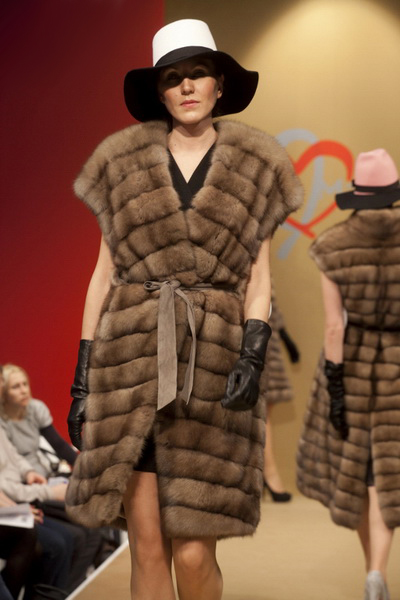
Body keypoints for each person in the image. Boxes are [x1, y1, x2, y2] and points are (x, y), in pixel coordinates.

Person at [66, 19, 302, 600]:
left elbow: (258, 276)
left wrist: (253, 352)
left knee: (195, 554)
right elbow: (102, 276)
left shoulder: (255, 165)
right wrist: (83, 377)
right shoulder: (125, 164)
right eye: (174, 78)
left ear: (220, 84)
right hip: (131, 364)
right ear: (160, 91)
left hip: (214, 364)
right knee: (147, 547)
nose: (187, 86)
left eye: (199, 73)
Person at [297, 149, 400, 600]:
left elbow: (334, 327)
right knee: (387, 475)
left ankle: (371, 568)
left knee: (359, 472)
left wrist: (336, 387)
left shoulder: (334, 245)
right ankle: (377, 571)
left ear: (357, 194)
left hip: (353, 365)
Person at [0, 364, 103, 593]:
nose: (23, 390)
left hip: (38, 483)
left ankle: (69, 590)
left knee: (91, 528)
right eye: (15, 386)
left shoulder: (35, 409)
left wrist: (87, 471)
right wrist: (18, 507)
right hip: (27, 494)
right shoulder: (3, 421)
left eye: (25, 384)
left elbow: (54, 446)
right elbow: (5, 482)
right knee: (64, 539)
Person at [0, 426, 71, 595]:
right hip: (23, 496)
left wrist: (28, 472)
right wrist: (47, 493)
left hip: (23, 496)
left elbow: (14, 455)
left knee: (68, 537)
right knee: (50, 544)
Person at [262, 281, 299, 502]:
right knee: (259, 412)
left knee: (264, 410)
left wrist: (285, 337)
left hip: (266, 340)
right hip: (252, 339)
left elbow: (270, 303)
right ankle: (269, 473)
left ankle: (267, 473)